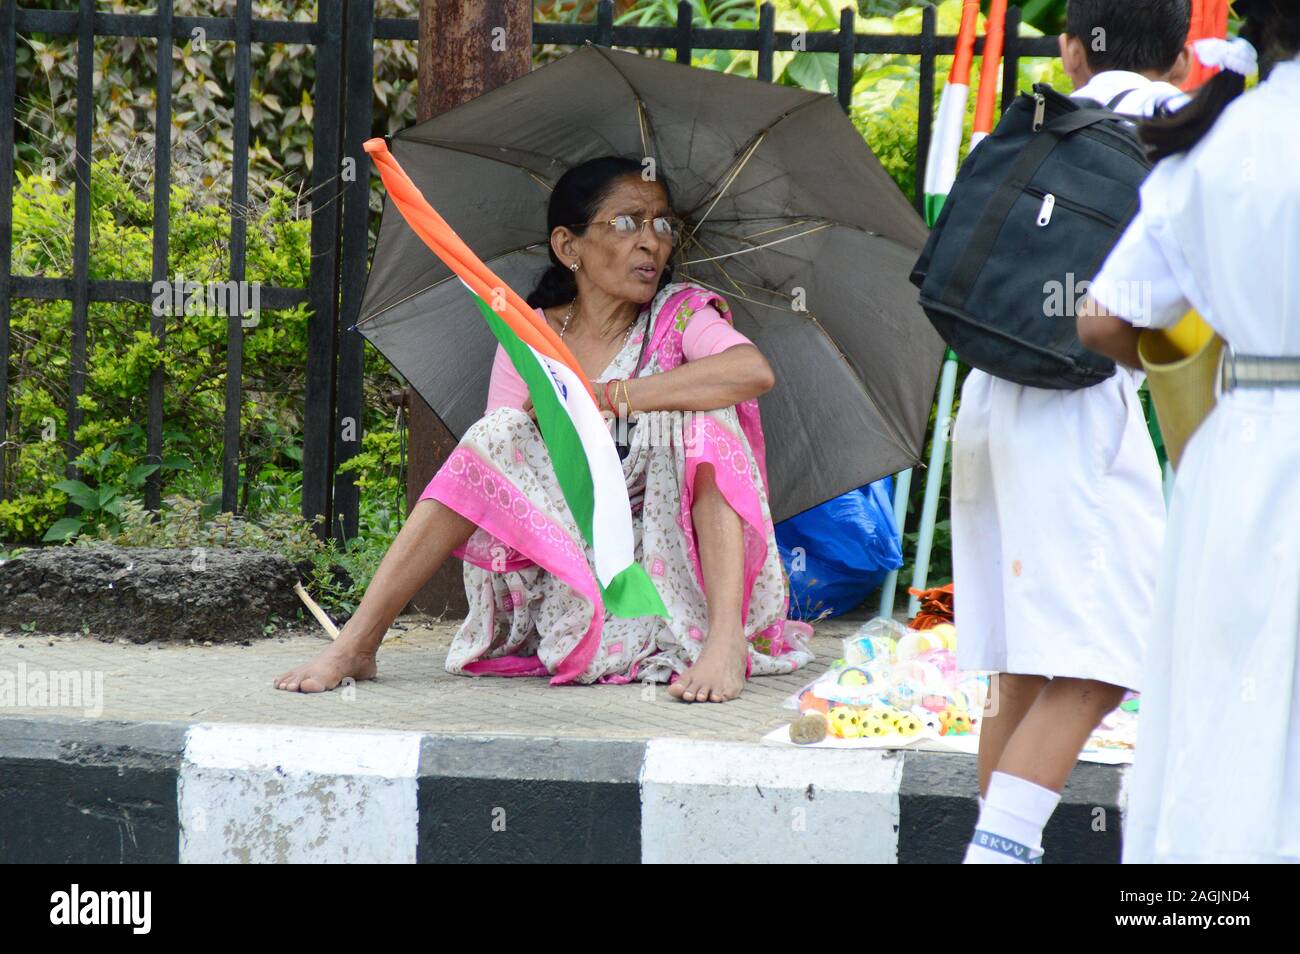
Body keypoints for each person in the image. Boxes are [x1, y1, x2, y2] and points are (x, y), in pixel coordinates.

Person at [275, 157, 814, 703]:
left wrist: (613, 397)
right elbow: (499, 476)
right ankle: (358, 644)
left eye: (662, 225)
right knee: (498, 431)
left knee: (705, 417)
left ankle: (723, 643)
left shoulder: (680, 315)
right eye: (627, 223)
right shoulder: (531, 338)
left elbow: (750, 372)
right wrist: (557, 428)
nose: (652, 242)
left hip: (672, 561)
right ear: (568, 245)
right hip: (571, 561)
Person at [953, 0, 1192, 863]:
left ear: (1070, 48)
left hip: (990, 397)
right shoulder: (1181, 129)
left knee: (1021, 661)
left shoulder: (1047, 124)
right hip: (1079, 409)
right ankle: (997, 854)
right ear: (1180, 52)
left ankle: (1000, 852)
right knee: (1100, 662)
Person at [1079, 0, 1300, 863]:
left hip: (1239, 448)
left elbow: (1102, 322)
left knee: (1221, 707)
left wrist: (1217, 336)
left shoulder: (1215, 140)